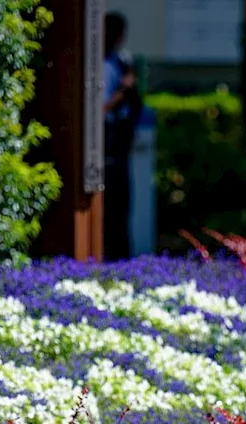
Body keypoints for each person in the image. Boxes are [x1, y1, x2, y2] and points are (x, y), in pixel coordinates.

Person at [103, 11, 142, 261]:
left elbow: (134, 101)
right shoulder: (98, 64)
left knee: (119, 209)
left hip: (118, 144)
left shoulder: (122, 63)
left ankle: (122, 260)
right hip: (103, 141)